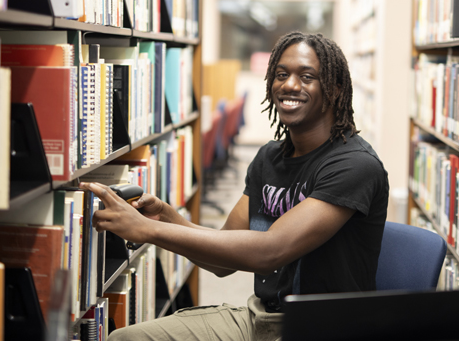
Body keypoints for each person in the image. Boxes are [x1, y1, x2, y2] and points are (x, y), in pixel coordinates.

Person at [80, 31, 390, 341]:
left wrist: (148, 231)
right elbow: (223, 257)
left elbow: (271, 251)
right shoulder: (269, 157)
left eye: (307, 77)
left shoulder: (355, 165)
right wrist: (164, 217)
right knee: (125, 339)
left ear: (334, 89)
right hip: (261, 320)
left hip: (324, 329)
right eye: (281, 75)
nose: (290, 85)